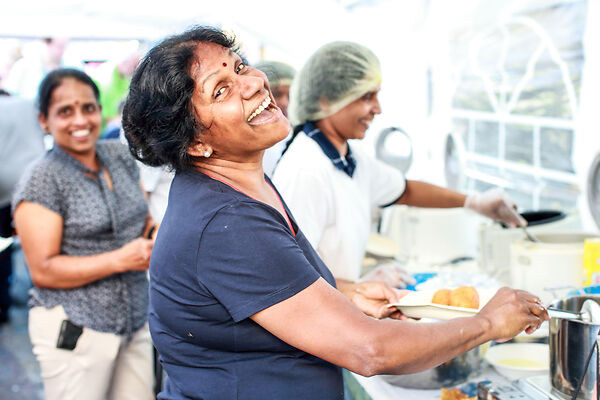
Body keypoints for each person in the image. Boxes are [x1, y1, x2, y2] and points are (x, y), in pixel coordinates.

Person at [121, 26, 548, 400]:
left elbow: (263, 286)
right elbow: (369, 350)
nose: (251, 83)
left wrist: (340, 293)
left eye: (239, 66)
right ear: (196, 144)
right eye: (221, 90)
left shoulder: (238, 186)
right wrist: (488, 323)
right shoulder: (226, 222)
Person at [273, 41, 527, 285]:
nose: (378, 109)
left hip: (339, 307)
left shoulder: (348, 157)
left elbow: (405, 190)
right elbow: (292, 278)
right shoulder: (306, 170)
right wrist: (357, 287)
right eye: (366, 97)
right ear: (325, 100)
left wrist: (474, 202)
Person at [12, 68, 156, 400]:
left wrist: (157, 232)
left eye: (88, 108)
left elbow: (142, 219)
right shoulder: (43, 179)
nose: (80, 120)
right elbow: (44, 270)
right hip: (76, 329)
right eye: (65, 111)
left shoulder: (119, 156)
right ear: (44, 121)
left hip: (135, 320)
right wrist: (120, 259)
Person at [0, 94, 47, 323]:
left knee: (3, 245)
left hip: (4, 190)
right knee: (38, 241)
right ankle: (39, 290)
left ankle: (3, 303)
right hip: (35, 179)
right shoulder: (26, 104)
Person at [254, 60, 296, 177]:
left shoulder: (297, 136)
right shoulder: (251, 143)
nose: (285, 102)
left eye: (290, 95)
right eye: (277, 94)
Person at [4, 37, 69, 99]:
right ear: (46, 43)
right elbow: (9, 94)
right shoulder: (24, 65)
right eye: (59, 47)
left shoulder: (69, 66)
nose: (63, 51)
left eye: (64, 47)